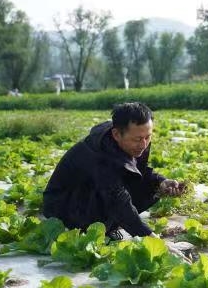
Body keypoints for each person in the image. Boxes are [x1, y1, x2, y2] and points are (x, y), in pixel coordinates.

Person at [43, 102, 187, 240]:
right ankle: (95, 227)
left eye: (148, 137)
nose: (143, 145)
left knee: (147, 186)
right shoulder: (100, 155)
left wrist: (161, 182)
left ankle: (110, 224)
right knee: (118, 204)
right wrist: (153, 239)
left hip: (96, 192)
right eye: (138, 139)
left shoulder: (134, 139)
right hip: (64, 205)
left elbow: (138, 171)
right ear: (117, 134)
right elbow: (118, 200)